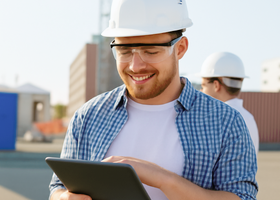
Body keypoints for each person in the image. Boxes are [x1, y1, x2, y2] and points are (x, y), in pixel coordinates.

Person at [49, 1, 258, 199]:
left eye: (151, 51)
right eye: (124, 51)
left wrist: (162, 179)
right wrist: (62, 197)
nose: (135, 66)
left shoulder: (225, 122)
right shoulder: (89, 116)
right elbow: (58, 187)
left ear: (181, 48)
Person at [198, 52, 259, 154]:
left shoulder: (216, 119)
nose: (200, 91)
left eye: (203, 86)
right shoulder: (248, 118)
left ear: (216, 85)